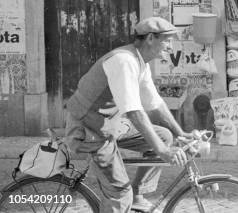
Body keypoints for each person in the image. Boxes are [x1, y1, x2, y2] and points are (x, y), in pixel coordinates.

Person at [65, 17, 197, 212]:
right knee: (120, 194)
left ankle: (138, 193)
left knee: (164, 136)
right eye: (167, 40)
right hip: (90, 130)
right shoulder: (124, 61)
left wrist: (180, 134)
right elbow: (134, 112)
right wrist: (163, 152)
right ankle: (127, 197)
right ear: (151, 38)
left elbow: (156, 104)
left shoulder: (139, 62)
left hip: (110, 124)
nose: (170, 47)